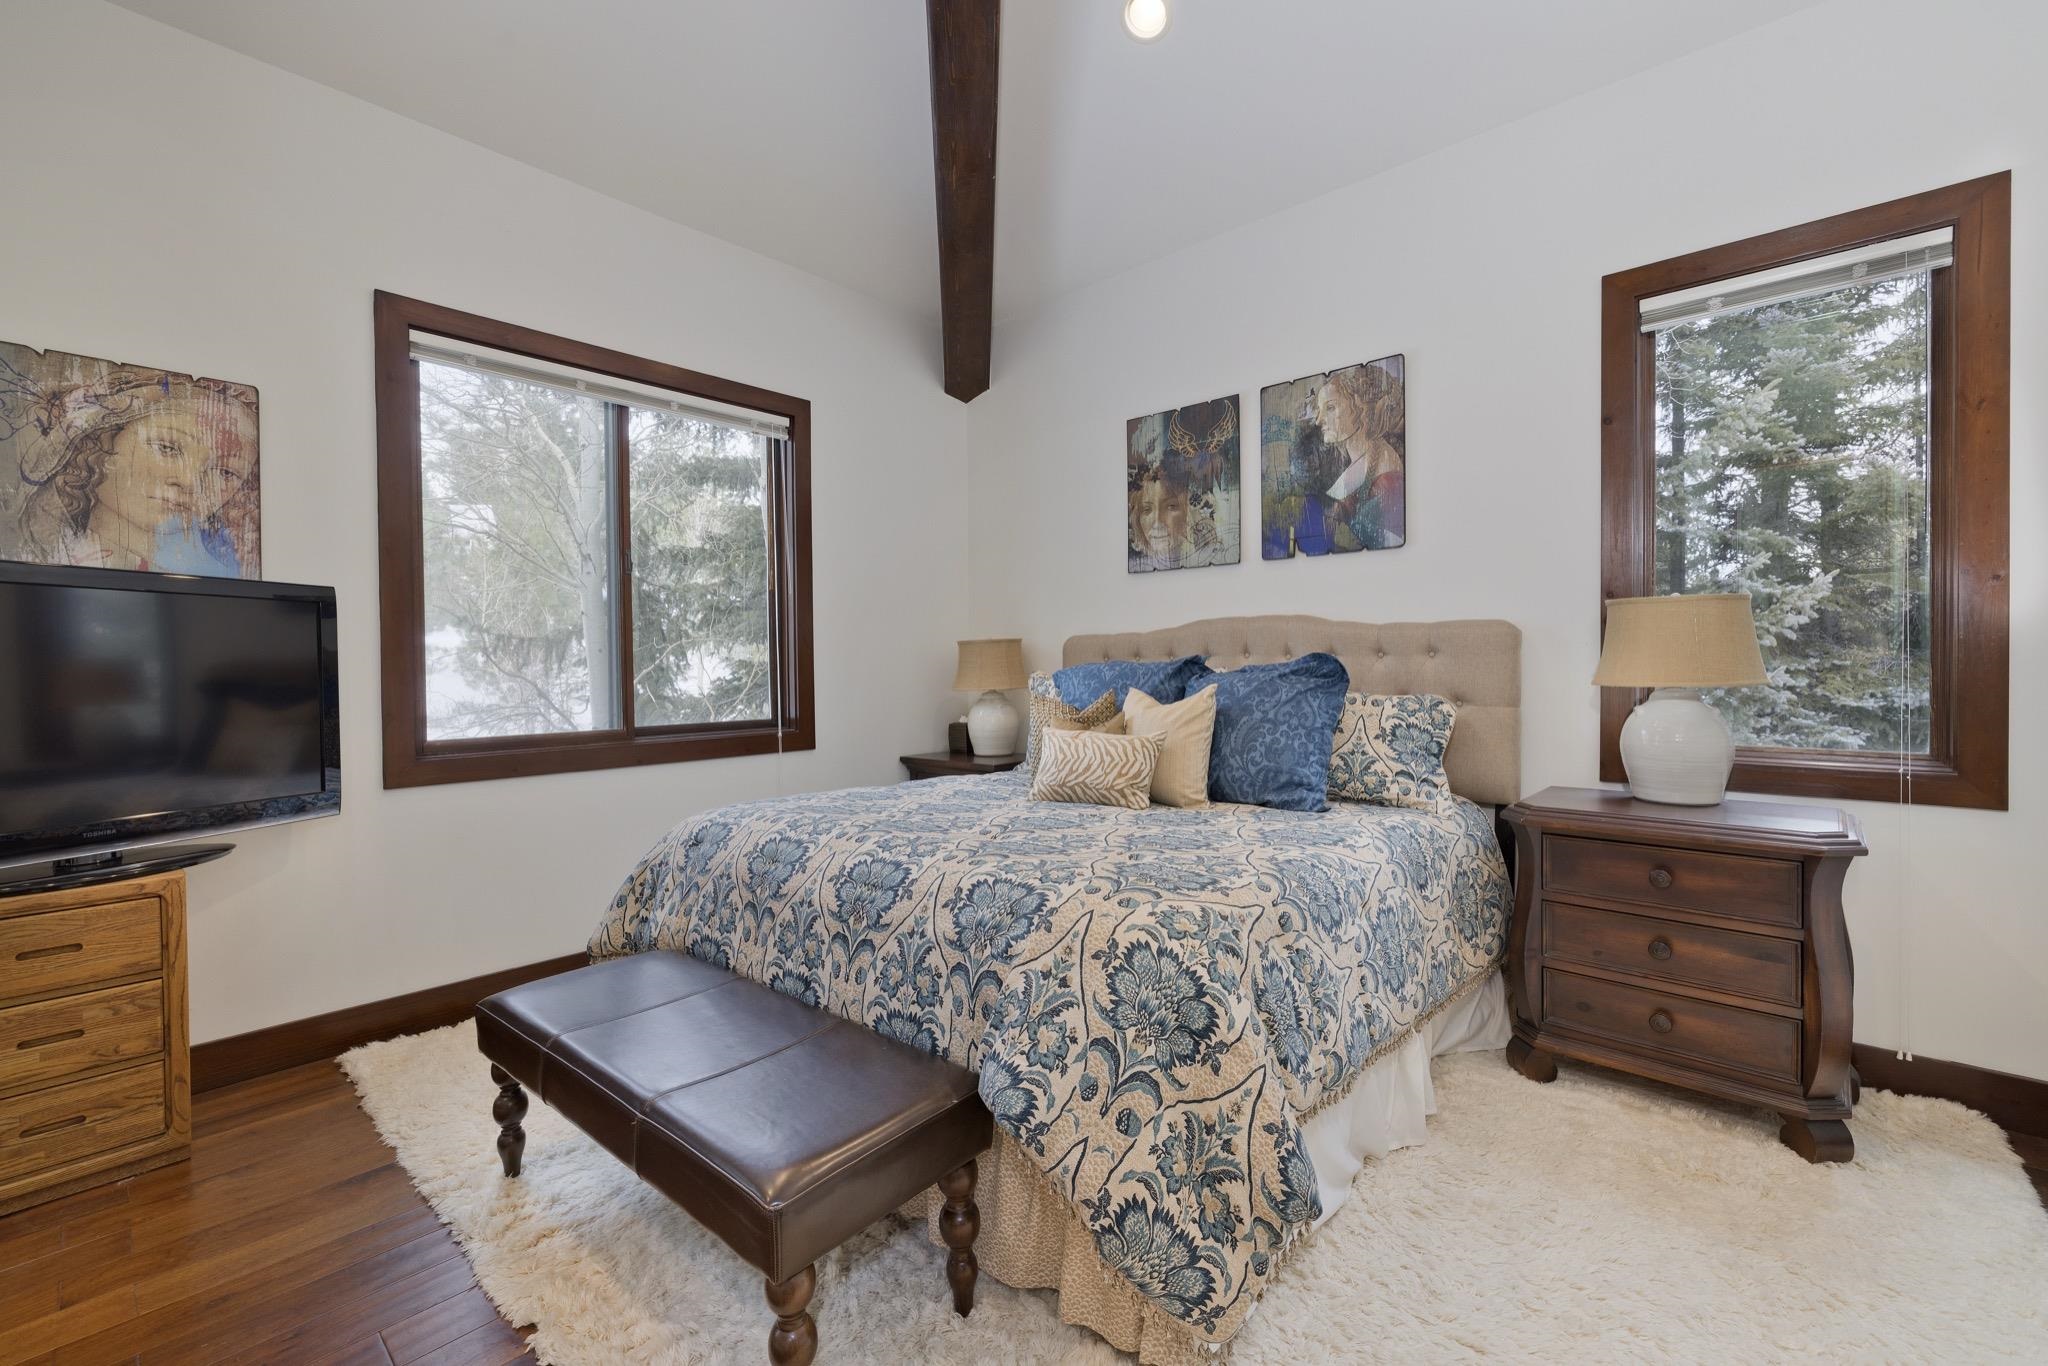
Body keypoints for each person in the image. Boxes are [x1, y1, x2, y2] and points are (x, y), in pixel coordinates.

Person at [8, 365, 259, 575]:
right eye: (167, 448)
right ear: (102, 440)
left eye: (226, 472)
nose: (189, 481)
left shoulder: (211, 583)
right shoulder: (34, 553)